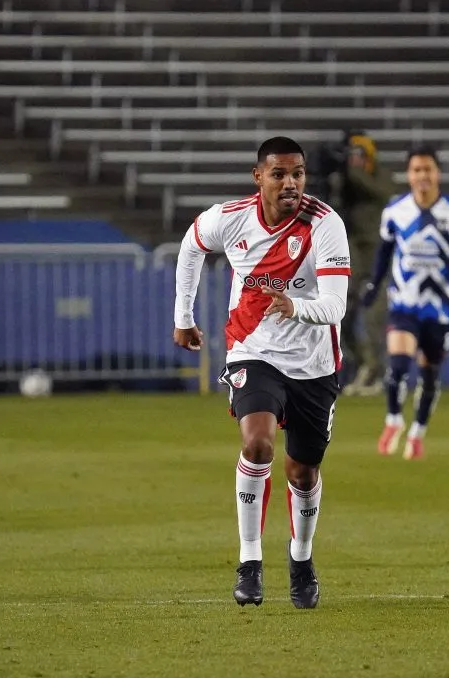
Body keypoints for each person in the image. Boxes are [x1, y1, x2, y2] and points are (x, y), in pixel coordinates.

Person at [173, 136, 350, 609]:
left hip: (314, 363)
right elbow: (191, 246)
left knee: (303, 469)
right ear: (259, 177)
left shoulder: (325, 224)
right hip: (254, 351)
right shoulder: (230, 219)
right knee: (257, 443)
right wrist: (183, 316)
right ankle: (249, 562)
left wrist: (294, 306)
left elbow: (336, 306)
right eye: (279, 174)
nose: (290, 183)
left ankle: (301, 558)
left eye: (298, 174)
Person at [361, 145, 449, 460]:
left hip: (440, 307)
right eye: (416, 170)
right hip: (404, 304)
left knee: (429, 374)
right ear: (409, 175)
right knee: (398, 365)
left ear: (437, 173)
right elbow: (385, 252)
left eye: (428, 169)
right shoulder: (395, 211)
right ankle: (394, 420)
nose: (422, 176)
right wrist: (373, 285)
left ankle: (418, 433)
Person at [339, 133, 397, 396]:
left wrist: (354, 175)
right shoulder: (346, 182)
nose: (354, 161)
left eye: (359, 156)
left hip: (377, 254)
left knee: (375, 315)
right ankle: (364, 363)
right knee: (341, 315)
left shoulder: (381, 177)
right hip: (353, 251)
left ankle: (377, 371)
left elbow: (386, 194)